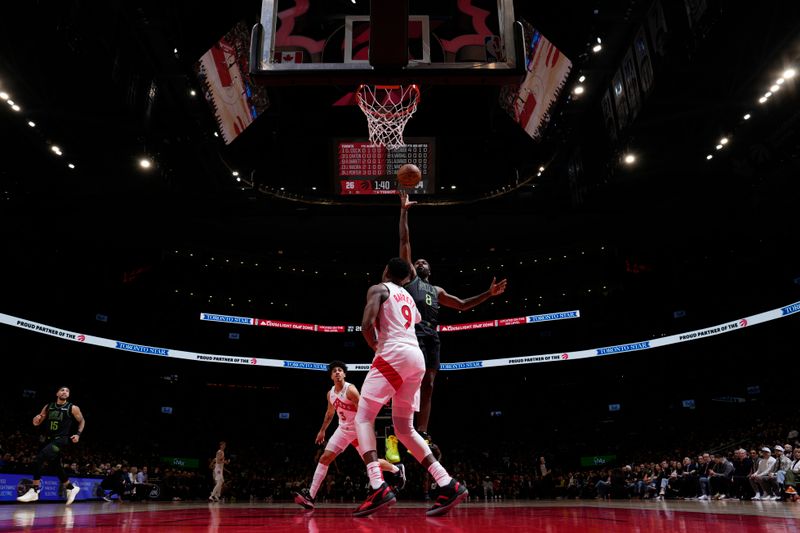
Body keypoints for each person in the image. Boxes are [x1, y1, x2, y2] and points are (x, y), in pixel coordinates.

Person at [353, 257, 468, 517]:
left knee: (363, 418)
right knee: (404, 429)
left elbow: (366, 324)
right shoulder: (407, 296)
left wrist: (375, 346)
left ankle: (377, 486)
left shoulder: (378, 288)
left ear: (385, 271)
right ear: (406, 278)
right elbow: (413, 320)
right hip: (417, 359)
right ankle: (448, 483)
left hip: (393, 355)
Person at [399, 192, 507, 441]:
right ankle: (401, 427)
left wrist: (488, 294)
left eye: (424, 261)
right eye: (418, 261)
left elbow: (462, 305)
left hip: (432, 336)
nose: (421, 261)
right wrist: (404, 211)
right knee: (408, 383)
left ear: (431, 270)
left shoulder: (437, 291)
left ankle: (422, 432)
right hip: (412, 334)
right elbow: (405, 241)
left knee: (429, 385)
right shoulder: (411, 279)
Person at [293, 361, 406, 509]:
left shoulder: (350, 390)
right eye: (334, 371)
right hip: (342, 430)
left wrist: (367, 431)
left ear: (344, 374)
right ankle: (311, 496)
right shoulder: (330, 394)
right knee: (325, 458)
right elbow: (329, 413)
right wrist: (322, 430)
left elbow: (364, 411)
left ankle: (396, 469)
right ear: (331, 376)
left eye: (340, 370)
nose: (338, 372)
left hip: (357, 431)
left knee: (371, 463)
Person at [17, 386, 85, 505]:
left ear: (68, 395)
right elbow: (37, 422)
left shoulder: (72, 408)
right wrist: (35, 420)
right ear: (57, 393)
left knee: (40, 457)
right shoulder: (48, 406)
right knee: (56, 467)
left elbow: (82, 421)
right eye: (62, 390)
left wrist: (78, 434)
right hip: (50, 440)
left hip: (62, 440)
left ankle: (34, 490)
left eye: (67, 391)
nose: (65, 392)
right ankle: (71, 488)